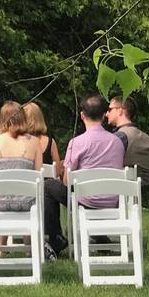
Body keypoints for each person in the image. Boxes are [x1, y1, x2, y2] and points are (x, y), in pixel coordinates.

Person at [43, 94, 125, 255]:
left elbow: (67, 181)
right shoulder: (117, 142)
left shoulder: (77, 142)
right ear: (103, 115)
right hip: (112, 200)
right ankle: (100, 238)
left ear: (82, 115)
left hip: (86, 201)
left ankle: (55, 238)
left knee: (48, 187)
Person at [0, 101, 41, 214]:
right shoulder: (35, 142)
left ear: (2, 118)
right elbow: (38, 176)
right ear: (22, 117)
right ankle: (28, 232)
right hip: (27, 204)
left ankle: (1, 232)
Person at [106, 96, 149, 186]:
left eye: (109, 109)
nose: (106, 114)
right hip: (141, 192)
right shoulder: (147, 138)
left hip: (120, 192)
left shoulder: (120, 137)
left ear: (120, 110)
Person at [23, 102, 63, 178]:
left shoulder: (18, 142)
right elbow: (57, 172)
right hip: (46, 187)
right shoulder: (51, 142)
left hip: (25, 186)